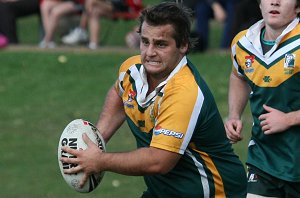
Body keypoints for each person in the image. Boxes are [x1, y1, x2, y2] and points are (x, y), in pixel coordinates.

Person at [61, 2, 247, 197]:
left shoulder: (184, 92)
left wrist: (100, 160)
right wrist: (97, 139)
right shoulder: (132, 70)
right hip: (164, 192)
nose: (149, 53)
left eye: (161, 44)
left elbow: (159, 161)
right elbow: (120, 92)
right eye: (145, 42)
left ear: (183, 45)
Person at [225, 0, 300, 197]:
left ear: (298, 7)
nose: (274, 1)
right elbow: (238, 76)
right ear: (260, 5)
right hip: (263, 159)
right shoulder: (243, 43)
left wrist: (288, 119)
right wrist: (234, 114)